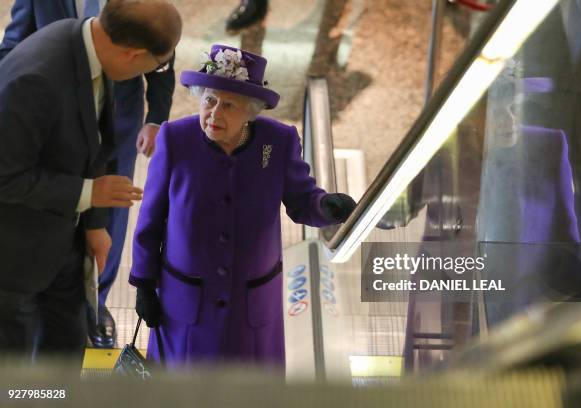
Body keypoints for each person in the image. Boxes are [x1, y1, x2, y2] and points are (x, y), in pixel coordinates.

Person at [129, 44, 356, 368]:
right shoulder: (175, 139)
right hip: (186, 302)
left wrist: (326, 206)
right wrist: (143, 284)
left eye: (229, 105)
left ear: (250, 110)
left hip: (251, 304)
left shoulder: (277, 142)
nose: (214, 113)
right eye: (209, 101)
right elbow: (150, 219)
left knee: (248, 391)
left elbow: (302, 200)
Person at [0, 0, 182, 366]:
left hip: (63, 243)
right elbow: (5, 176)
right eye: (156, 64)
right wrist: (89, 193)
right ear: (133, 55)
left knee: (64, 358)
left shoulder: (92, 48)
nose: (157, 71)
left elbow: (98, 140)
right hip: (15, 259)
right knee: (15, 378)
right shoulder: (37, 80)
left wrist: (95, 224)